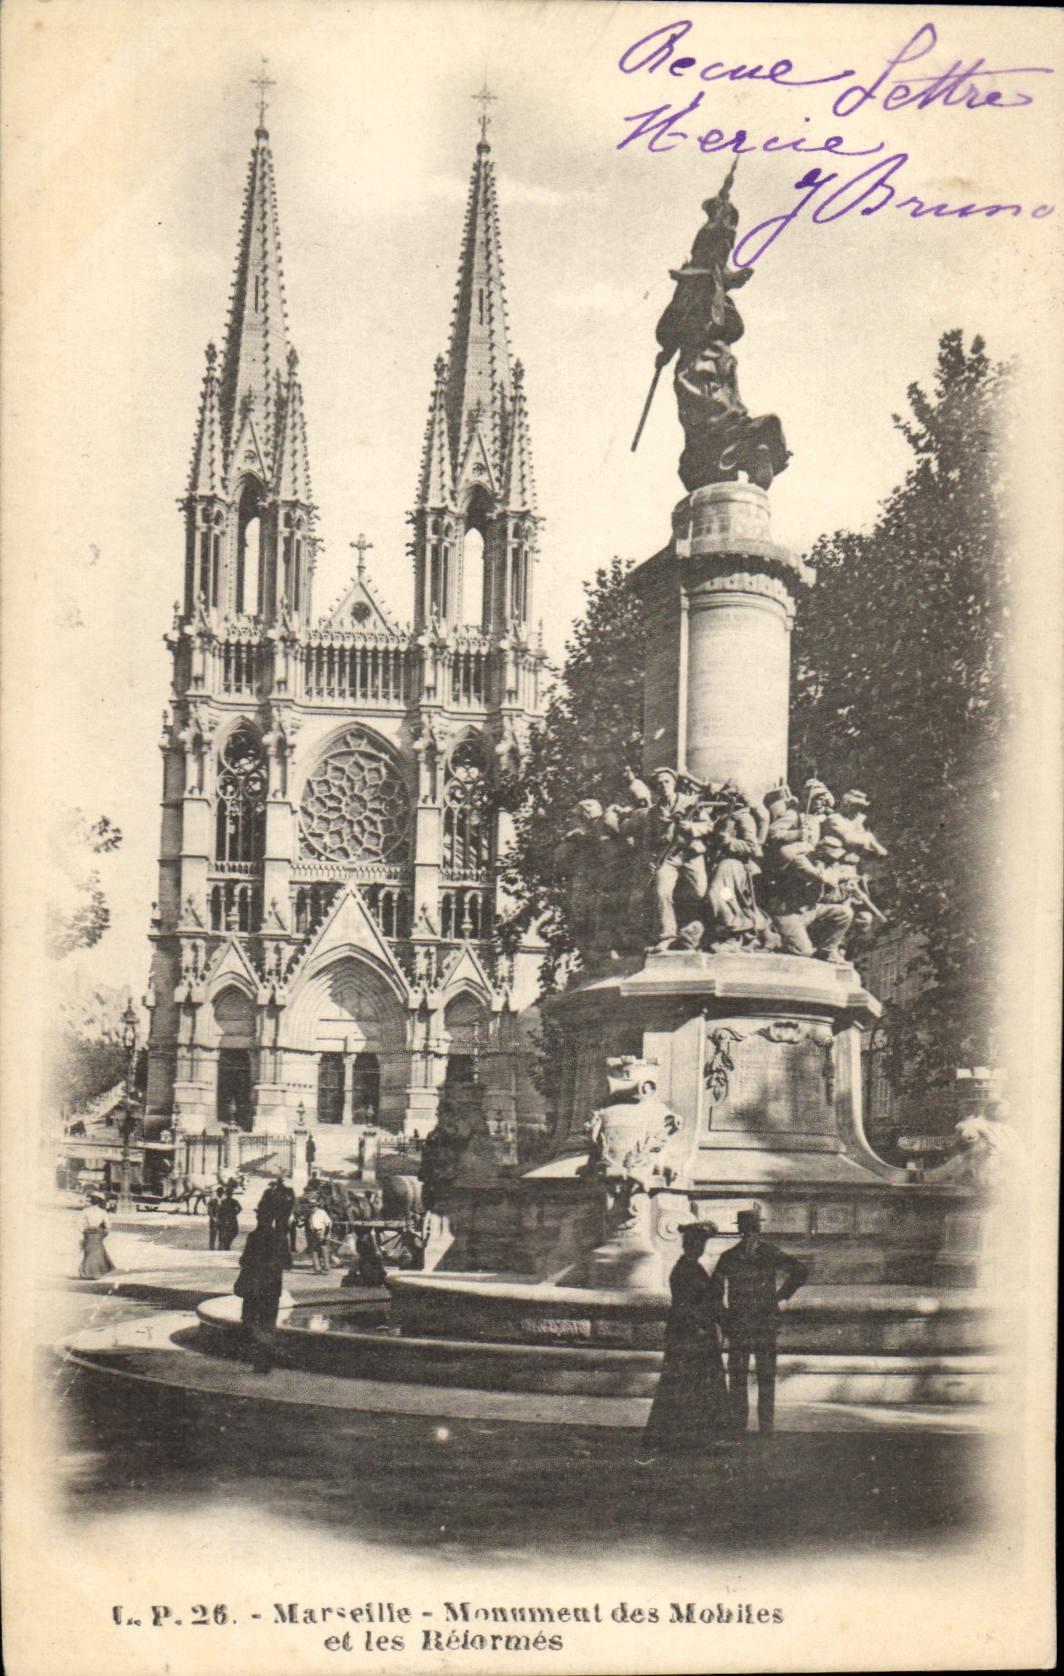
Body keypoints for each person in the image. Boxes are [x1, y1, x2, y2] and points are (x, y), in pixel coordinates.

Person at [711, 1208, 807, 1436]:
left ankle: (765, 1427)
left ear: (758, 1230)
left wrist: (781, 1296)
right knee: (739, 1377)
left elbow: (800, 1271)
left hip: (762, 1324)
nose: (750, 1235)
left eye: (753, 1230)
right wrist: (725, 1318)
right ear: (741, 1231)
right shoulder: (730, 1257)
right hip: (743, 1324)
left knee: (764, 1376)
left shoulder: (767, 1254)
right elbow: (715, 1292)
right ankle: (740, 1425)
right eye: (747, 1230)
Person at [640, 1222, 728, 1458]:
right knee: (683, 1384)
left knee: (695, 1385)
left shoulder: (694, 1268)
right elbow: (688, 1305)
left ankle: (692, 1436)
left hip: (696, 1334)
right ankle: (676, 1437)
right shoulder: (683, 1271)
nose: (699, 1248)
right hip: (689, 1335)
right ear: (688, 1244)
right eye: (696, 1243)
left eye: (701, 1244)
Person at [234, 1203, 289, 1372]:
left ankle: (258, 1356)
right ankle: (264, 1360)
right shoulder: (281, 1238)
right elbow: (288, 1262)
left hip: (254, 1287)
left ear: (260, 1218)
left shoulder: (254, 1237)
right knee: (267, 1323)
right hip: (272, 1288)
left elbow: (244, 1261)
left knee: (250, 1321)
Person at [78, 1193, 115, 1279]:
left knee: (89, 1251)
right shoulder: (102, 1212)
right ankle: (97, 1272)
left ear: (91, 1202)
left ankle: (86, 1272)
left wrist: (84, 1230)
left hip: (89, 1233)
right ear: (99, 1202)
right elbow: (108, 1224)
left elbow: (78, 1223)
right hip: (98, 1233)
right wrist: (105, 1232)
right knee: (98, 1252)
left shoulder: (85, 1211)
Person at [305, 1198, 333, 1275]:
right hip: (313, 1233)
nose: (312, 1208)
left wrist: (325, 1234)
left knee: (324, 1250)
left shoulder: (322, 1212)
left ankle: (327, 1268)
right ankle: (317, 1269)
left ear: (316, 1206)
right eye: (310, 1207)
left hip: (321, 1231)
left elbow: (328, 1223)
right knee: (314, 1251)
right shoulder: (310, 1214)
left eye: (313, 1207)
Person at [215, 1185, 241, 1251]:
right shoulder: (233, 1201)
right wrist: (235, 1213)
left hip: (227, 1218)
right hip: (230, 1219)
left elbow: (220, 1210)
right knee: (233, 1231)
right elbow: (240, 1208)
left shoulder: (226, 1201)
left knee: (231, 1232)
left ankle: (226, 1244)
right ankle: (227, 1244)